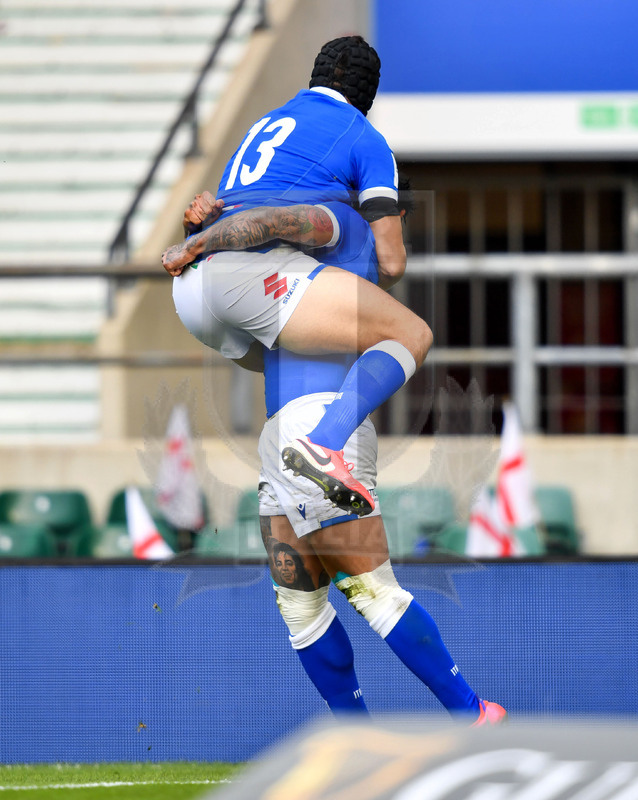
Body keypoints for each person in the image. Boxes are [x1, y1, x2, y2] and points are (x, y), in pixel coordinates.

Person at [166, 193, 507, 725]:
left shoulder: (338, 224)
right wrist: (205, 224)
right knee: (301, 609)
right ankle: (357, 742)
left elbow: (271, 223)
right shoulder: (297, 274)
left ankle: (472, 715)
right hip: (284, 432)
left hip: (318, 422)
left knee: (374, 592)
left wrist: (200, 238)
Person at [161, 35, 433, 518]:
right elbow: (391, 262)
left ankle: (280, 492)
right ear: (368, 96)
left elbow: (227, 207)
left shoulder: (265, 124)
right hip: (246, 276)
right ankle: (324, 445)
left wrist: (196, 236)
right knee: (411, 334)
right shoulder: (362, 141)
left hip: (195, 293)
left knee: (299, 371)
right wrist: (197, 242)